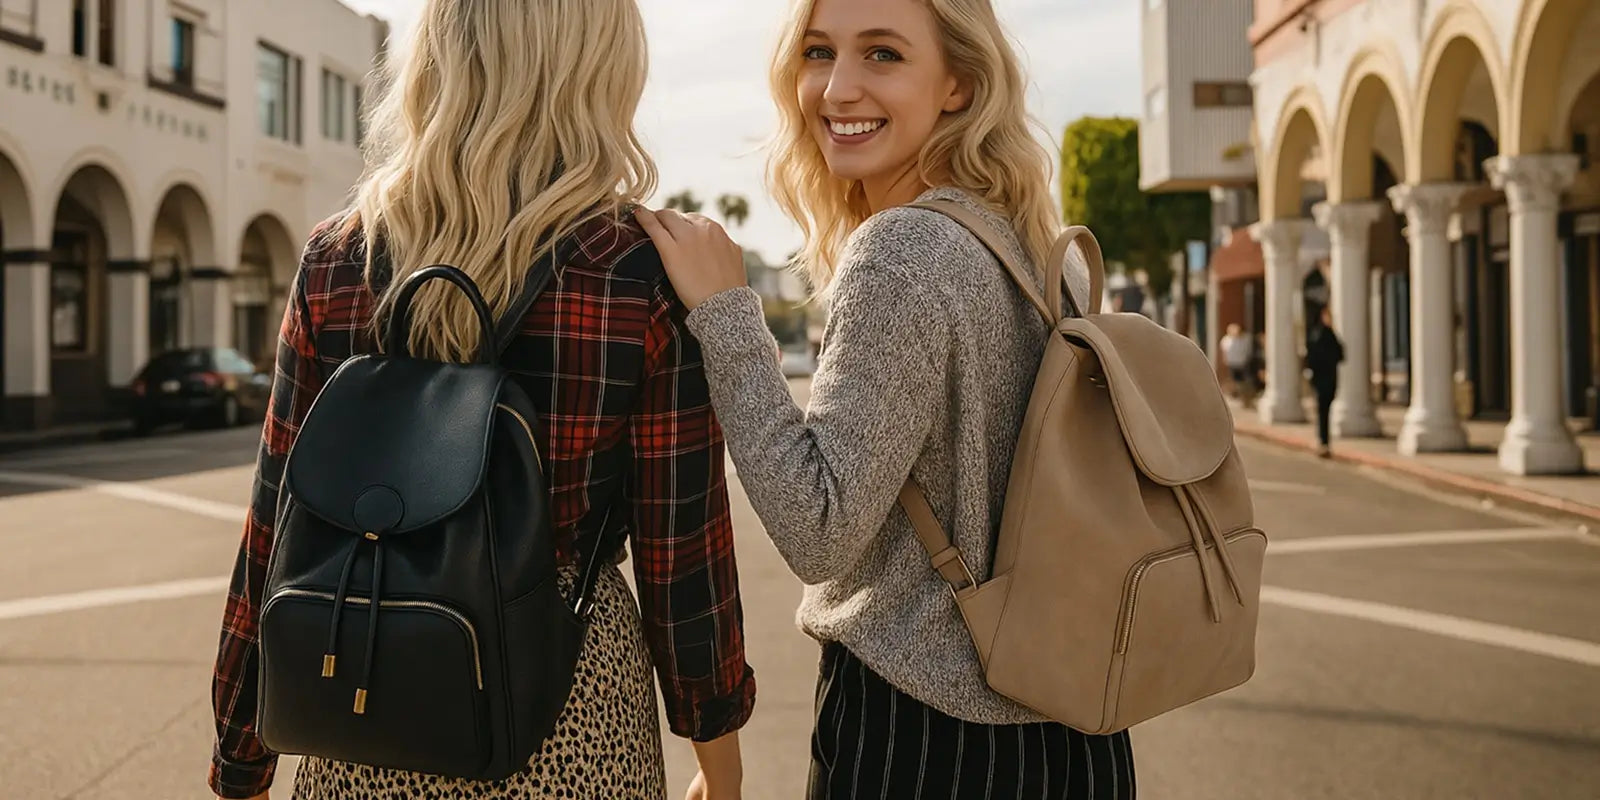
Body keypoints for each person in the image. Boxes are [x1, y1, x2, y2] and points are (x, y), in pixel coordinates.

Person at [207, 2, 755, 798]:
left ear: (438, 61)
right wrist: (720, 765)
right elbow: (685, 559)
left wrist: (240, 761)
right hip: (567, 696)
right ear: (602, 69)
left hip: (357, 680)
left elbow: (275, 525)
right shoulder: (638, 273)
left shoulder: (336, 257)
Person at [634, 0, 1136, 796]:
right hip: (1076, 733)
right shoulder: (1035, 250)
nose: (837, 88)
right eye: (818, 52)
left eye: (883, 56)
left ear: (959, 85)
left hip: (925, 740)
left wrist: (727, 318)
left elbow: (819, 531)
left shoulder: (904, 248)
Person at [1305, 308, 1346, 458]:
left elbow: (1341, 355)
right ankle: (1323, 441)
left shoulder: (1326, 335)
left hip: (1326, 379)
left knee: (1323, 411)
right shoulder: (1322, 335)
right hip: (1324, 379)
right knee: (1323, 412)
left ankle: (1324, 441)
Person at [1221, 323, 1254, 405]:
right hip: (1232, 364)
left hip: (1243, 364)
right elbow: (1224, 352)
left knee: (1244, 381)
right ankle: (1239, 396)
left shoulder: (1245, 339)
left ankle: (1246, 398)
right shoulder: (1226, 340)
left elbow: (1247, 351)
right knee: (1235, 381)